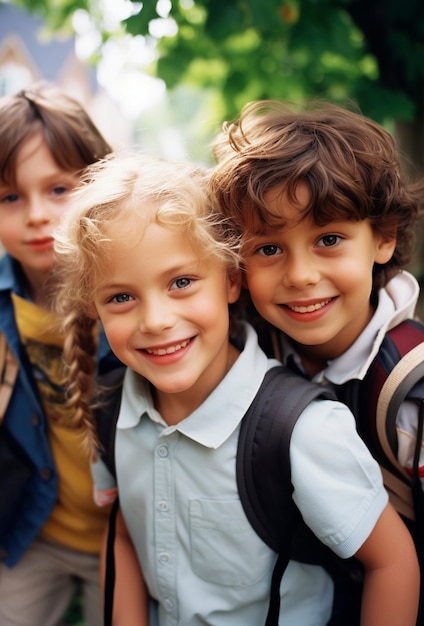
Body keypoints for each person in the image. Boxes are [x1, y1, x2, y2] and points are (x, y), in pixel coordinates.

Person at [53, 151, 419, 626]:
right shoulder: (110, 407)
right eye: (121, 297)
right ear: (92, 305)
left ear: (231, 279)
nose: (157, 321)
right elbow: (124, 530)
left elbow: (391, 561)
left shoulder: (303, 429)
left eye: (181, 282)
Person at [210, 99, 424, 618]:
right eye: (268, 249)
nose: (301, 274)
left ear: (384, 238)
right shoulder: (251, 348)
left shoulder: (409, 387)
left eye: (329, 239)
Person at [0, 82, 121, 626]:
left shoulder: (135, 296)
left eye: (58, 189)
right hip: (34, 529)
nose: (36, 216)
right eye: (10, 197)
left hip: (127, 537)